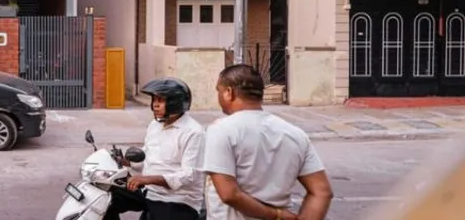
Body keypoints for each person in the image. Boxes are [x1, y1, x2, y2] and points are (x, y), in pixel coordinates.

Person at [202, 65, 334, 220]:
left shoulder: (221, 130)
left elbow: (229, 194)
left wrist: (276, 215)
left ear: (228, 93)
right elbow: (322, 192)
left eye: (218, 90)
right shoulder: (294, 133)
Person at [109, 77, 206, 220]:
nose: (155, 105)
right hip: (149, 192)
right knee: (104, 199)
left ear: (175, 102)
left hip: (178, 199)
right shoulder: (155, 126)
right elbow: (147, 158)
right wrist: (126, 162)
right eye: (154, 100)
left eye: (161, 100)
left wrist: (147, 179)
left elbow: (188, 176)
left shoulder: (193, 132)